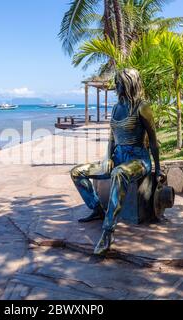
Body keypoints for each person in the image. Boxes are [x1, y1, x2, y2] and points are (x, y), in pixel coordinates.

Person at [71, 68, 162, 255]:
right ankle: (97, 209)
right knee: (77, 172)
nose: (115, 87)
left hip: (138, 159)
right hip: (118, 157)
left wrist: (157, 169)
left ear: (129, 83)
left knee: (119, 173)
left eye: (118, 83)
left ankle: (108, 231)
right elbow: (112, 137)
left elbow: (153, 141)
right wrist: (108, 158)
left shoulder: (142, 107)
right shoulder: (115, 107)